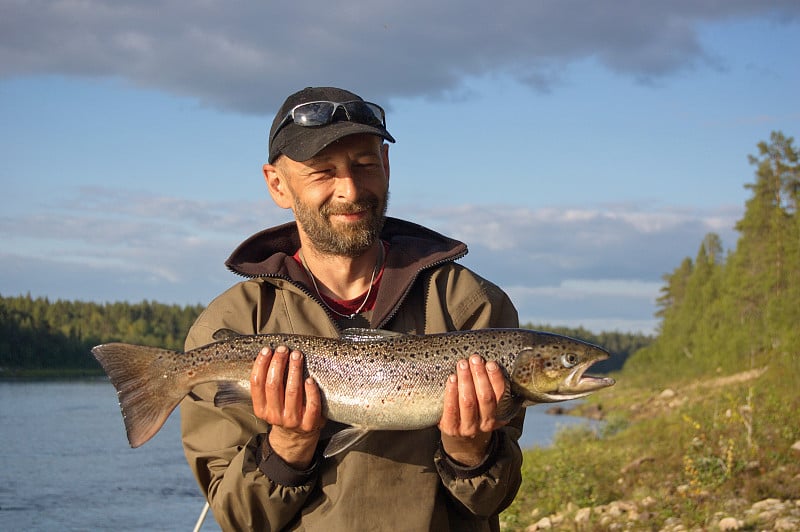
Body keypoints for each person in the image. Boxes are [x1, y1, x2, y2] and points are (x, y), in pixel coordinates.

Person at [180, 86, 525, 531]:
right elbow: (240, 520)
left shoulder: (471, 305)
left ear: (385, 165)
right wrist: (286, 448)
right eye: (323, 172)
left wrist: (471, 453)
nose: (350, 189)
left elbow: (494, 501)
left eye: (364, 164)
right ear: (277, 184)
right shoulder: (231, 324)